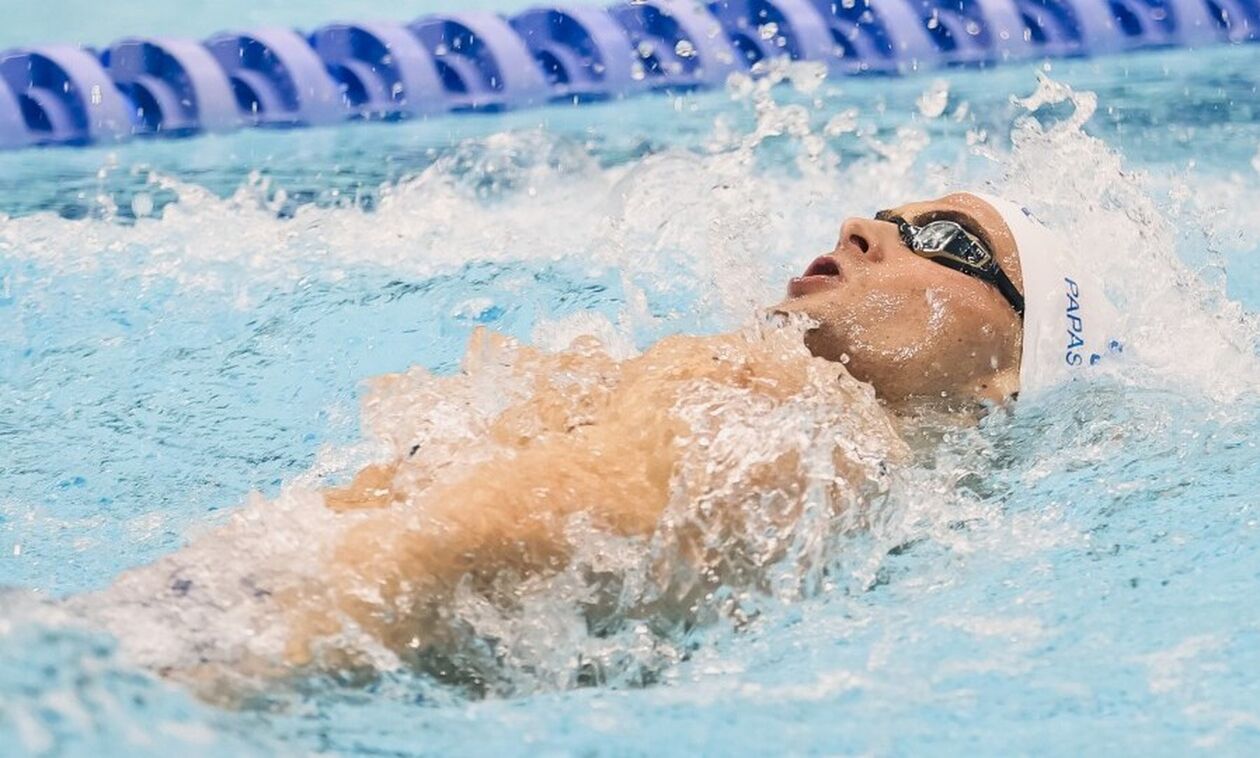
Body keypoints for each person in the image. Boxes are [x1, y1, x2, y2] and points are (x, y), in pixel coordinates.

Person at [92, 191, 1121, 697]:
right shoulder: (806, 431)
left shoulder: (816, 420)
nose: (861, 226)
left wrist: (139, 670)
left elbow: (506, 530)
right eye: (888, 212)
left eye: (947, 243)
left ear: (1009, 376)